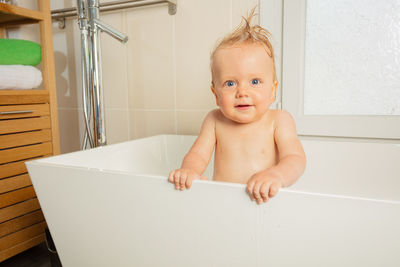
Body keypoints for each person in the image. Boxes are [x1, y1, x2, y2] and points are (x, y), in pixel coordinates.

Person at [168, 10, 306, 205]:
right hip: (223, 203)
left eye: (255, 81)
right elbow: (198, 155)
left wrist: (276, 176)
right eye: (230, 83)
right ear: (215, 94)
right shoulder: (214, 120)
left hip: (265, 202)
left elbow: (295, 158)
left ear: (273, 90)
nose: (242, 91)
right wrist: (190, 170)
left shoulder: (279, 120)